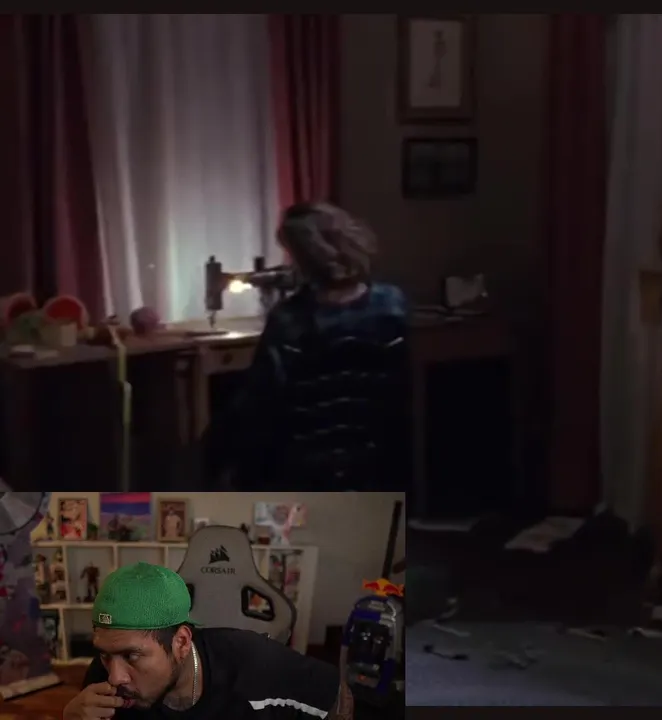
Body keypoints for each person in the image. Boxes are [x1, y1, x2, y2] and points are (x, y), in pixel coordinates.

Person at [200, 201, 410, 490]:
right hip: (375, 461)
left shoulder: (290, 319)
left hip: (303, 469)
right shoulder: (392, 303)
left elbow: (259, 403)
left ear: (304, 260)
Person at [63, 562, 352, 720]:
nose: (115, 677)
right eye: (105, 654)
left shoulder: (252, 665)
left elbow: (337, 694)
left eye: (131, 656)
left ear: (181, 642)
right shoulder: (101, 680)